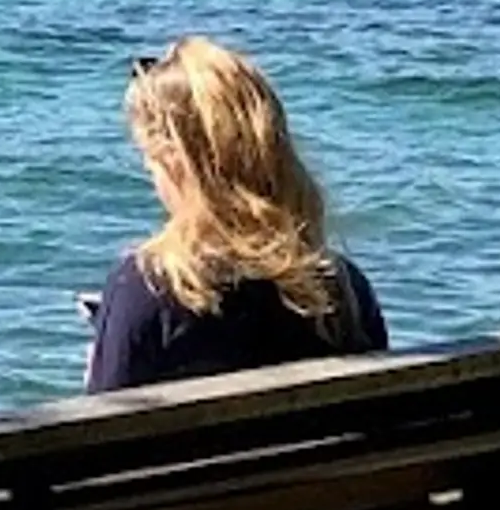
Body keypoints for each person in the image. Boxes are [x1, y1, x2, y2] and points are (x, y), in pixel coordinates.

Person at [82, 35, 386, 393]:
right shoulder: (344, 290)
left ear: (178, 164)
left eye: (152, 165)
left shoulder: (146, 288)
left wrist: (98, 365)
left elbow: (104, 436)